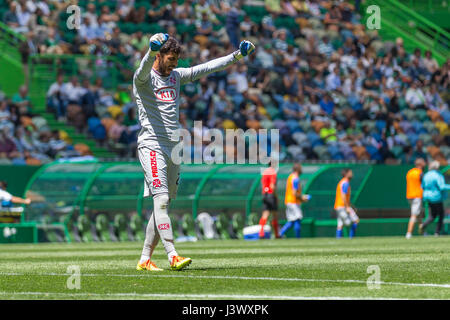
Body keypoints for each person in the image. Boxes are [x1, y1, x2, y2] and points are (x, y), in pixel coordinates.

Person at [133, 33, 255, 271]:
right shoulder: (144, 79)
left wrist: (237, 55)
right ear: (159, 56)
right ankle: (172, 255)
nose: (174, 63)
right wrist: (149, 49)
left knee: (163, 205)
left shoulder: (177, 77)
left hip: (174, 147)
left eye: (176, 59)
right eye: (170, 58)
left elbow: (207, 67)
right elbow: (142, 68)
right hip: (151, 145)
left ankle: (145, 258)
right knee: (162, 199)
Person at [419, 161, 450, 236]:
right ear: (437, 167)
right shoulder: (438, 175)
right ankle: (437, 232)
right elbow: (442, 186)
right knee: (441, 215)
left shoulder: (426, 175)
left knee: (432, 215)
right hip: (436, 197)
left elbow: (422, 186)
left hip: (427, 197)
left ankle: (423, 225)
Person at [279, 163, 310, 238]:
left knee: (292, 220)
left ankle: (279, 234)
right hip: (293, 202)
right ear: (298, 169)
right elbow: (295, 193)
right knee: (298, 218)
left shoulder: (290, 176)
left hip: (289, 201)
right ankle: (298, 237)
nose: (302, 170)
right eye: (301, 168)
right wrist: (302, 198)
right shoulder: (295, 178)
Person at [334, 168, 359, 238]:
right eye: (350, 173)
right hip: (343, 206)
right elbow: (343, 195)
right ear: (346, 174)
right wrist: (347, 207)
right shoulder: (345, 183)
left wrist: (351, 205)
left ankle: (338, 239)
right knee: (355, 220)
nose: (352, 174)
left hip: (339, 206)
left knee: (340, 224)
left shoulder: (342, 182)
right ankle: (351, 238)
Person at [405, 158, 426, 239]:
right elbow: (423, 184)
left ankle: (423, 232)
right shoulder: (420, 173)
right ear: (420, 164)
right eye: (424, 163)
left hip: (409, 195)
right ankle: (409, 233)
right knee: (414, 215)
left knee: (418, 215)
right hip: (417, 196)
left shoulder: (410, 172)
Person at [259, 161, 278, 239]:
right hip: (271, 195)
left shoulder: (265, 172)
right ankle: (277, 234)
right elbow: (272, 186)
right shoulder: (273, 172)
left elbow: (263, 185)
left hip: (265, 195)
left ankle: (261, 233)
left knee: (265, 215)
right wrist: (275, 196)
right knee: (274, 215)